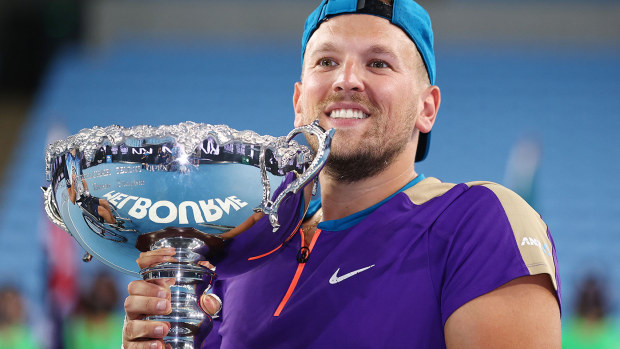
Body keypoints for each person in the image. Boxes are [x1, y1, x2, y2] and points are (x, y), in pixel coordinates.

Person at [122, 0, 561, 348]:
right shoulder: (239, 247)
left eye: (379, 64)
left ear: (427, 108)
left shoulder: (478, 221)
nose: (346, 80)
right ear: (299, 101)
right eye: (326, 62)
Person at [64, 147, 117, 225]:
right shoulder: (67, 168)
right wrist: (73, 182)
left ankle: (112, 221)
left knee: (105, 203)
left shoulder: (78, 162)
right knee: (104, 212)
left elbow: (83, 180)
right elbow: (72, 200)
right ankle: (113, 223)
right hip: (81, 202)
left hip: (87, 197)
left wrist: (88, 192)